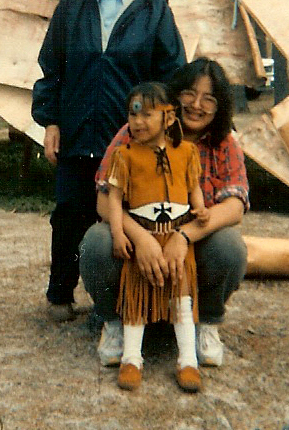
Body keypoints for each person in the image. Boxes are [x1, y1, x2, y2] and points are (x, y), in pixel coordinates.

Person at [32, 0, 186, 321]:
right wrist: (51, 122)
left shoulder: (153, 10)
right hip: (78, 133)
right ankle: (60, 294)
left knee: (126, 221)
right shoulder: (72, 5)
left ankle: (121, 303)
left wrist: (157, 134)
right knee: (69, 215)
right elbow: (52, 68)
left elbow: (172, 75)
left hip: (130, 139)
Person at [79, 57, 249, 373]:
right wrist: (140, 237)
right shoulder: (135, 131)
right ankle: (115, 321)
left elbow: (234, 206)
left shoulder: (224, 142)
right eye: (189, 93)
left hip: (189, 250)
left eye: (209, 98)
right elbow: (105, 202)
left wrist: (184, 237)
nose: (197, 105)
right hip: (137, 244)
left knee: (230, 246)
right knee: (97, 241)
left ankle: (206, 322)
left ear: (220, 106)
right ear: (174, 97)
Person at [105, 82, 208, 393]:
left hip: (175, 237)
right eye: (132, 114)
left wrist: (200, 208)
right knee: (136, 298)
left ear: (169, 117)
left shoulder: (187, 153)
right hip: (143, 239)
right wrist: (118, 231)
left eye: (146, 114)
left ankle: (188, 359)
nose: (137, 122)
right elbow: (114, 197)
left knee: (181, 295)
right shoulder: (124, 155)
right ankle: (131, 358)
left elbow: (193, 189)